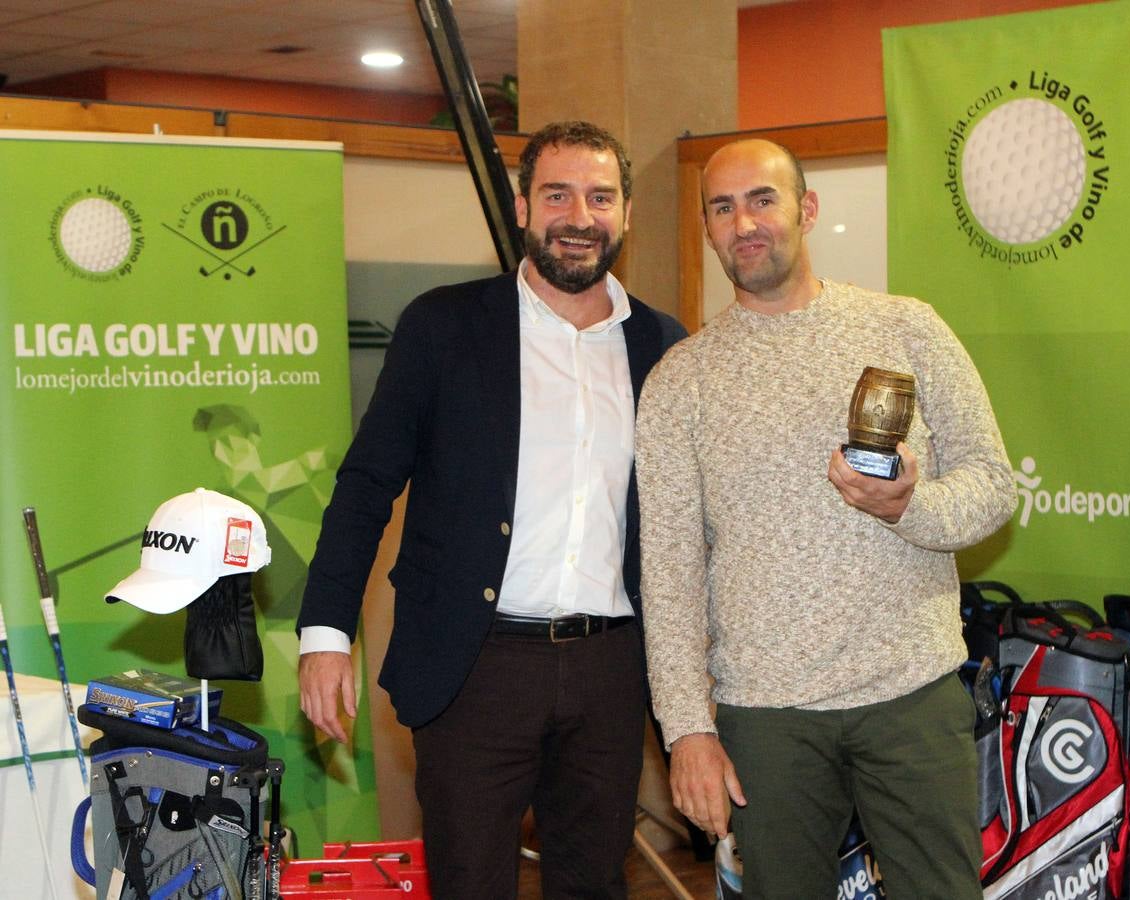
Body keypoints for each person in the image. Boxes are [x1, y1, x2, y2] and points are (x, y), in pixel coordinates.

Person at [297, 120, 686, 898]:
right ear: (521, 207)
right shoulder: (443, 327)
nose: (580, 216)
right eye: (558, 194)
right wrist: (325, 634)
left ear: (627, 213)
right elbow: (368, 482)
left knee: (594, 886)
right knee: (471, 883)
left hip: (611, 668)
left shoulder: (663, 347)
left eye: (600, 196)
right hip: (474, 667)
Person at [635, 138, 1017, 899]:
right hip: (767, 718)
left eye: (762, 199)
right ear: (708, 228)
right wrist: (687, 730)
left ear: (806, 210)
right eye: (723, 207)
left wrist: (911, 506)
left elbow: (994, 485)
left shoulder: (907, 328)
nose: (744, 222)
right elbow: (670, 571)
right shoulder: (681, 379)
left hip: (910, 694)